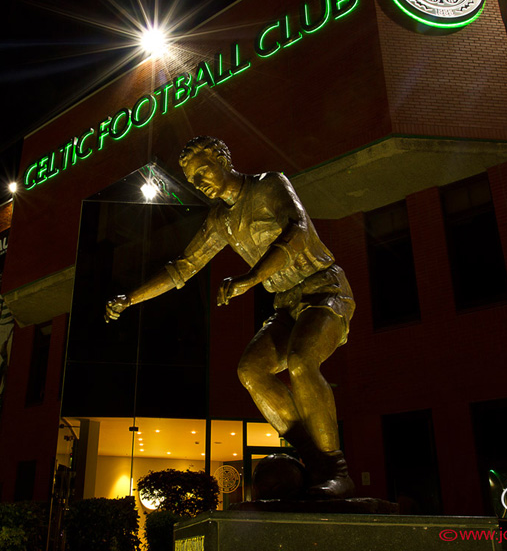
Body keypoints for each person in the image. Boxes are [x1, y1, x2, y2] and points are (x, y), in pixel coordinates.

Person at [105, 136, 356, 499]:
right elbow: (184, 268)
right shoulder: (220, 220)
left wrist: (251, 278)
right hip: (286, 304)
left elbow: (298, 231)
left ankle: (337, 469)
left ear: (223, 158)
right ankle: (313, 458)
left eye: (202, 171)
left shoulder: (269, 184)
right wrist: (130, 299)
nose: (199, 182)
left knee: (302, 361)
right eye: (192, 180)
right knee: (250, 370)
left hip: (325, 290)